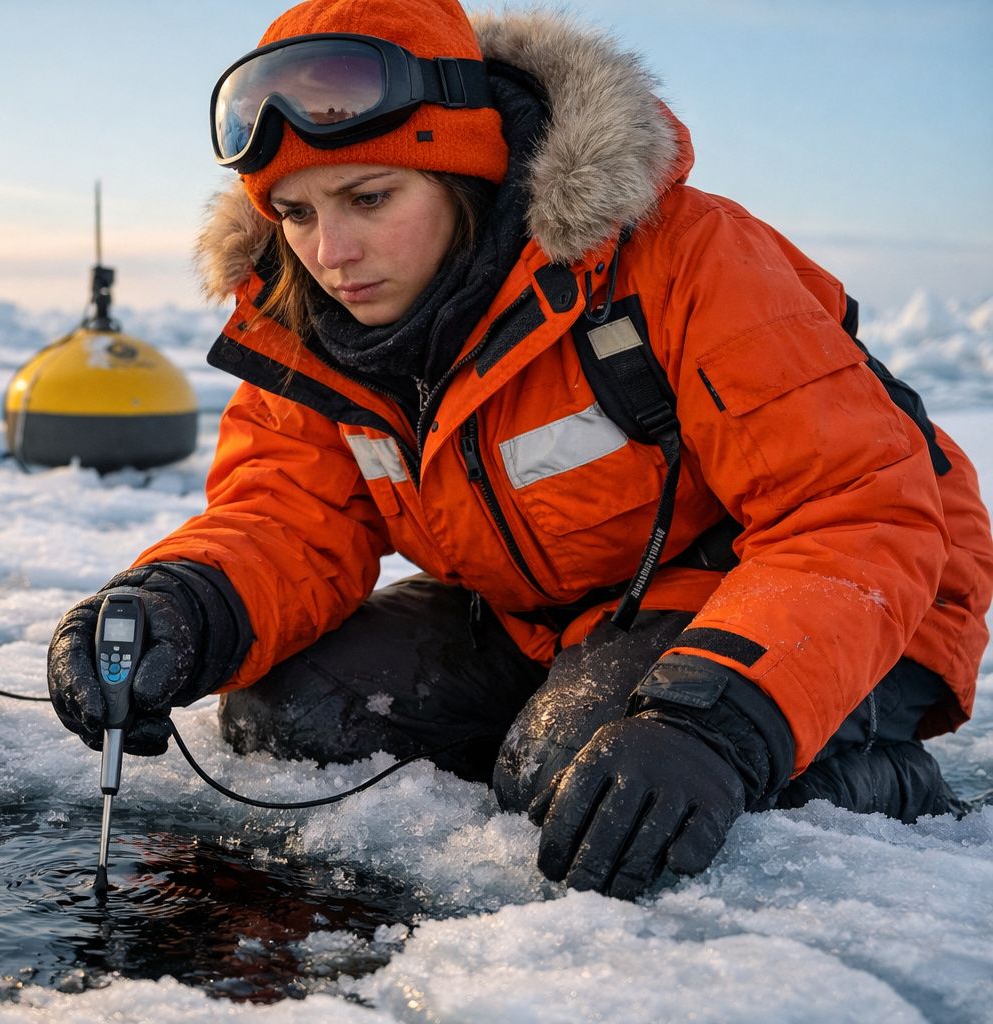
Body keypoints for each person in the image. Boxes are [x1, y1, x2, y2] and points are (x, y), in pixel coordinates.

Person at [48, 0, 993, 900]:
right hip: (556, 611)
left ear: (465, 175)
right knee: (287, 719)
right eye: (294, 214)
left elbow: (853, 510)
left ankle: (878, 780)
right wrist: (182, 601)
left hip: (868, 592)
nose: (330, 252)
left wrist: (711, 724)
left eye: (369, 197)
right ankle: (584, 721)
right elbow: (286, 511)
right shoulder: (316, 327)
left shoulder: (686, 257)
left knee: (580, 778)